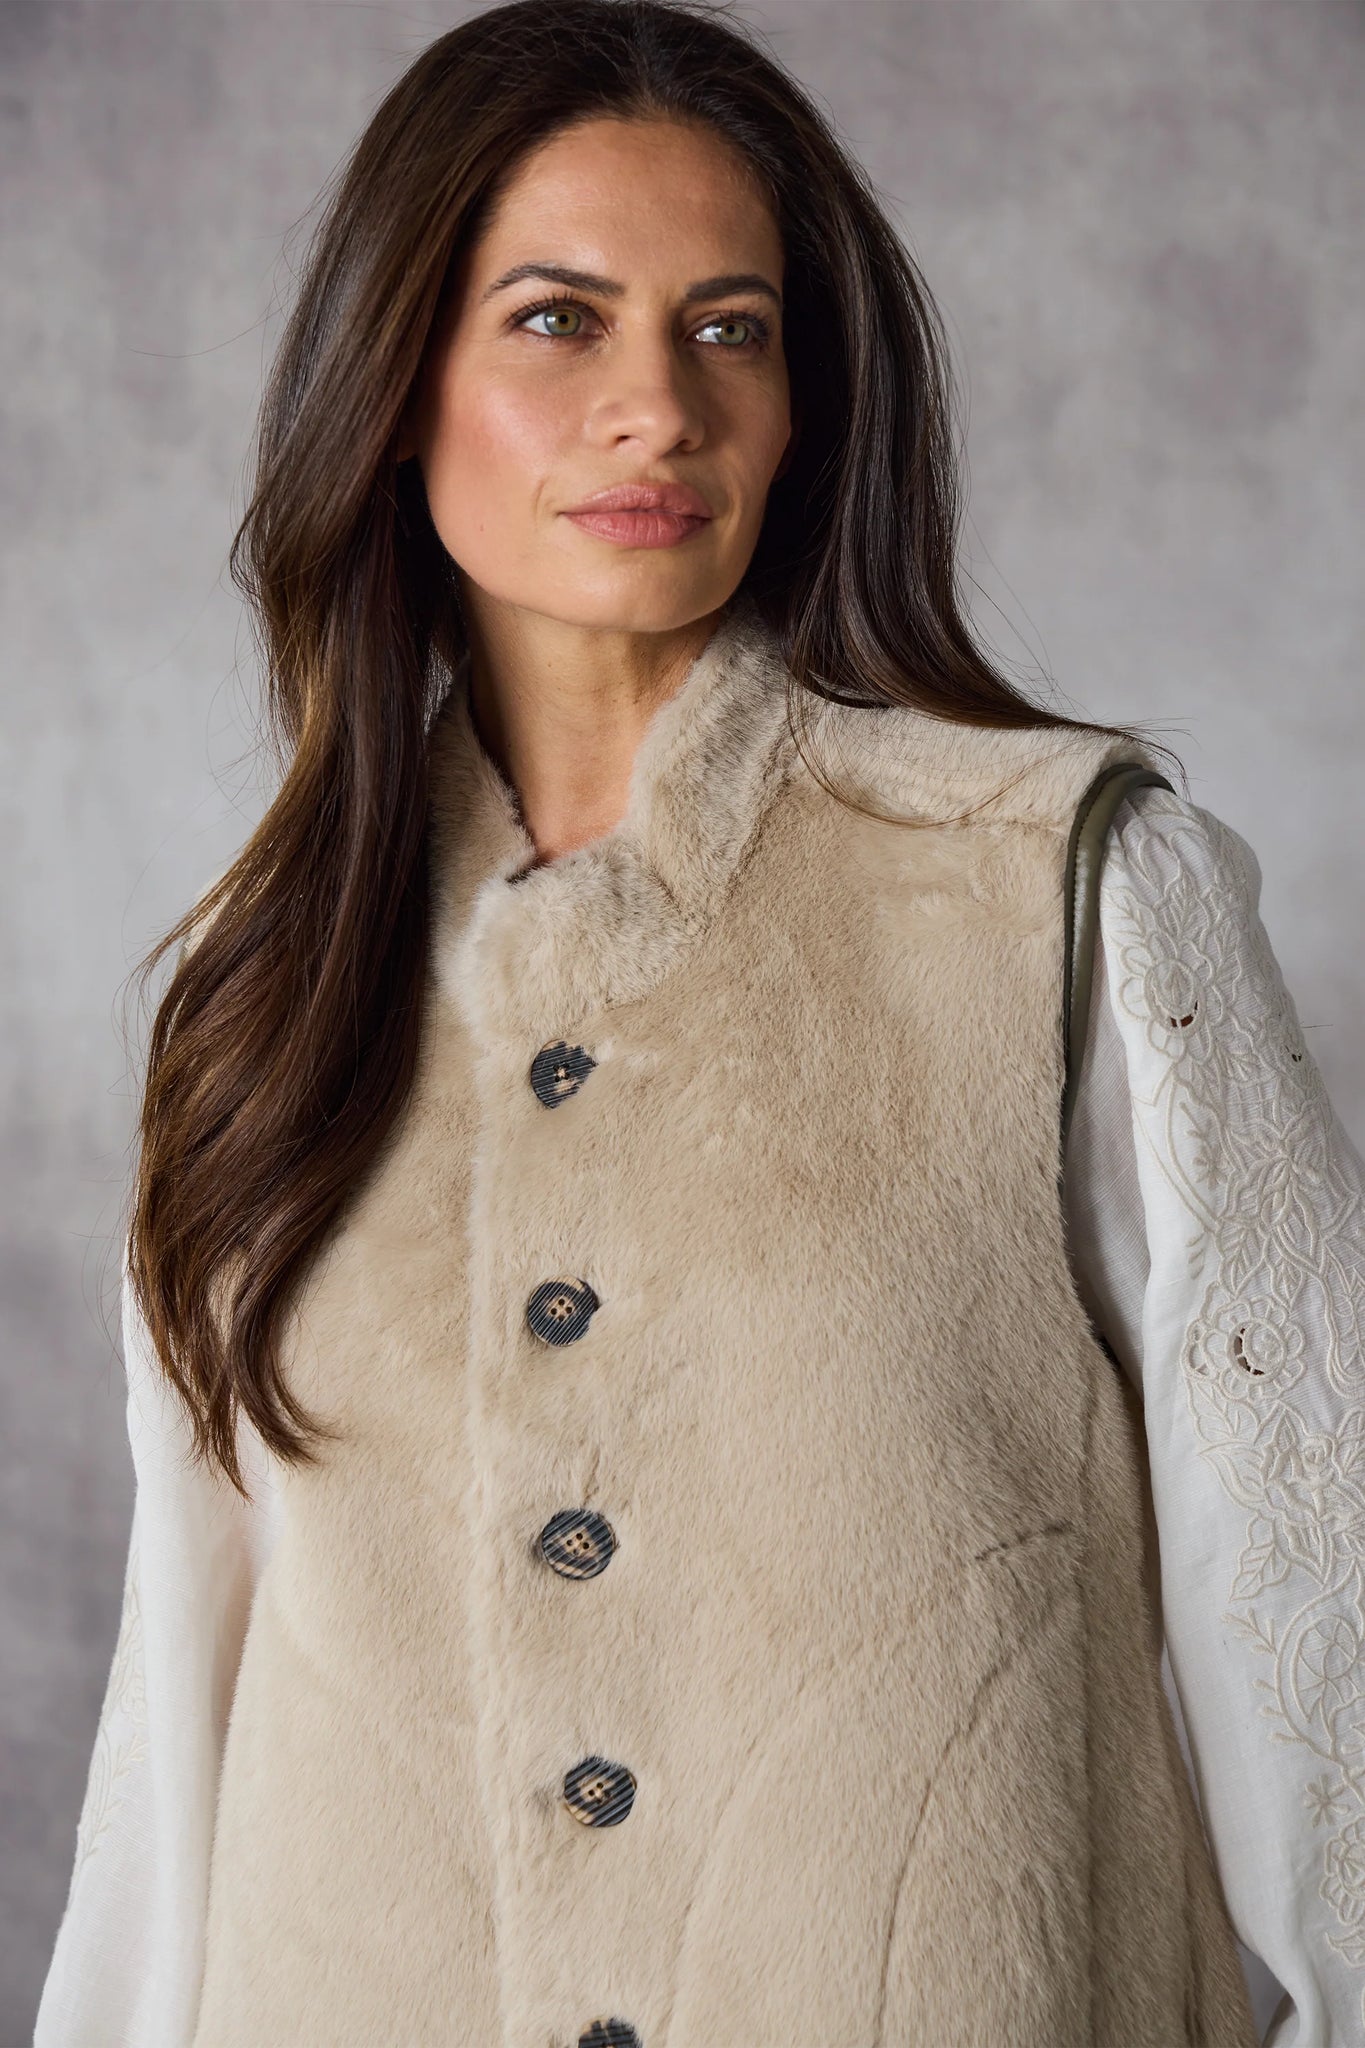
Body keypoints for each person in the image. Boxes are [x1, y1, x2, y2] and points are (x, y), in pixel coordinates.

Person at [33, 3, 1365, 2044]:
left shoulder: (1070, 892)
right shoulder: (258, 990)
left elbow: (1321, 1615)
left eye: (727, 330)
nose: (654, 407)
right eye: (556, 321)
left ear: (804, 405)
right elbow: (176, 1718)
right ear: (395, 387)